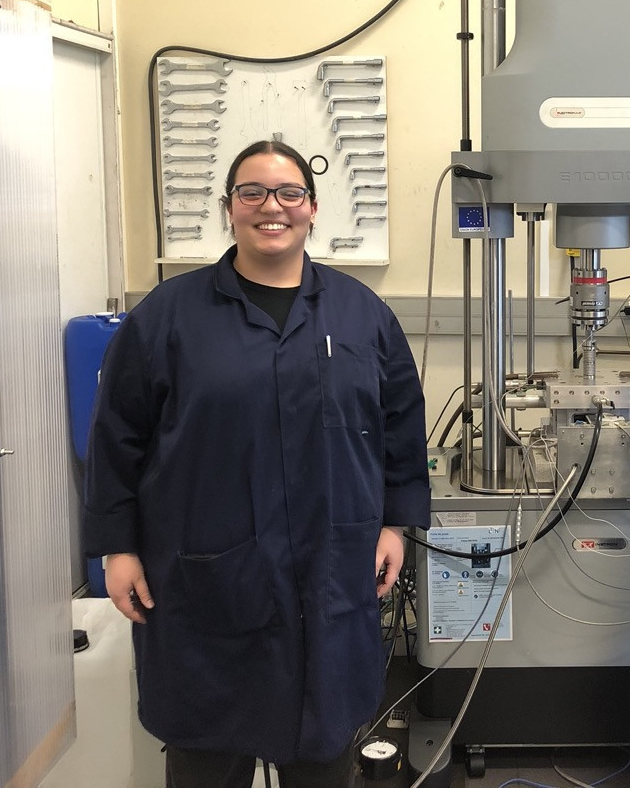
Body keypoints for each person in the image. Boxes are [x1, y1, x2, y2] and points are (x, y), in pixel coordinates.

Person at [84, 140, 430, 788]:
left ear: (312, 208)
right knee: (206, 757)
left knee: (322, 753)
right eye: (253, 193)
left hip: (327, 577)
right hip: (205, 586)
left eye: (288, 193)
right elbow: (117, 437)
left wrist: (393, 524)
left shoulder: (362, 316)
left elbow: (399, 428)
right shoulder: (168, 317)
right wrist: (117, 548)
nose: (272, 207)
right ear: (229, 208)